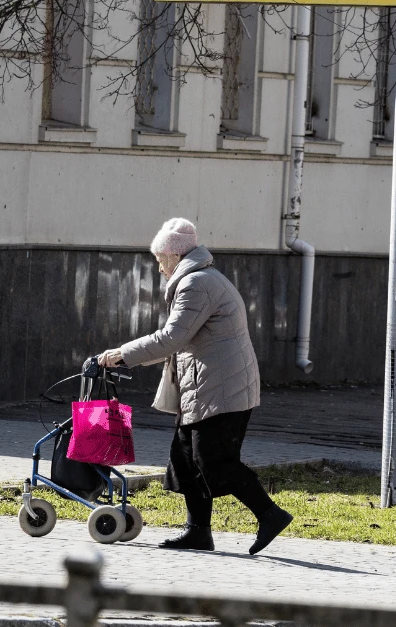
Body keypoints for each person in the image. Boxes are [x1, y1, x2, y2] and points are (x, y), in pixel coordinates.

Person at [98, 218, 293, 555]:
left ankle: (270, 514)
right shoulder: (200, 279)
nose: (159, 268)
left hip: (221, 389)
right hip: (205, 387)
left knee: (214, 462)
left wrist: (123, 354)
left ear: (175, 255)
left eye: (160, 259)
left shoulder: (197, 284)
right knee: (186, 459)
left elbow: (172, 338)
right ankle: (198, 532)